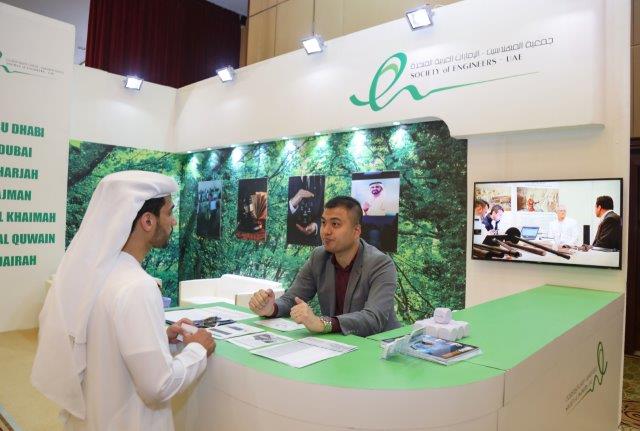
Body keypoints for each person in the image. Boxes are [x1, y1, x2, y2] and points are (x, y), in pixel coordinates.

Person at [31, 171, 215, 431]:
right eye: (169, 212)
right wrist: (197, 349)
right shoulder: (138, 287)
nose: (173, 221)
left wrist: (160, 339)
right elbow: (158, 386)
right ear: (148, 221)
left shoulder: (93, 275)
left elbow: (105, 344)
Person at [249, 196, 400, 337]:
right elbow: (292, 298)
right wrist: (271, 308)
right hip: (337, 343)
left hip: (379, 345)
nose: (326, 231)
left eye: (335, 224)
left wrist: (323, 323)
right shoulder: (319, 257)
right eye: (323, 223)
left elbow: (373, 318)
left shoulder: (380, 264)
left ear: (356, 231)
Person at [287, 175, 324, 246]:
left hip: (315, 242)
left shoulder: (322, 179)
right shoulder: (286, 177)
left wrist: (316, 225)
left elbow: (324, 212)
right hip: (290, 242)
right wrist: (292, 203)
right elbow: (277, 213)